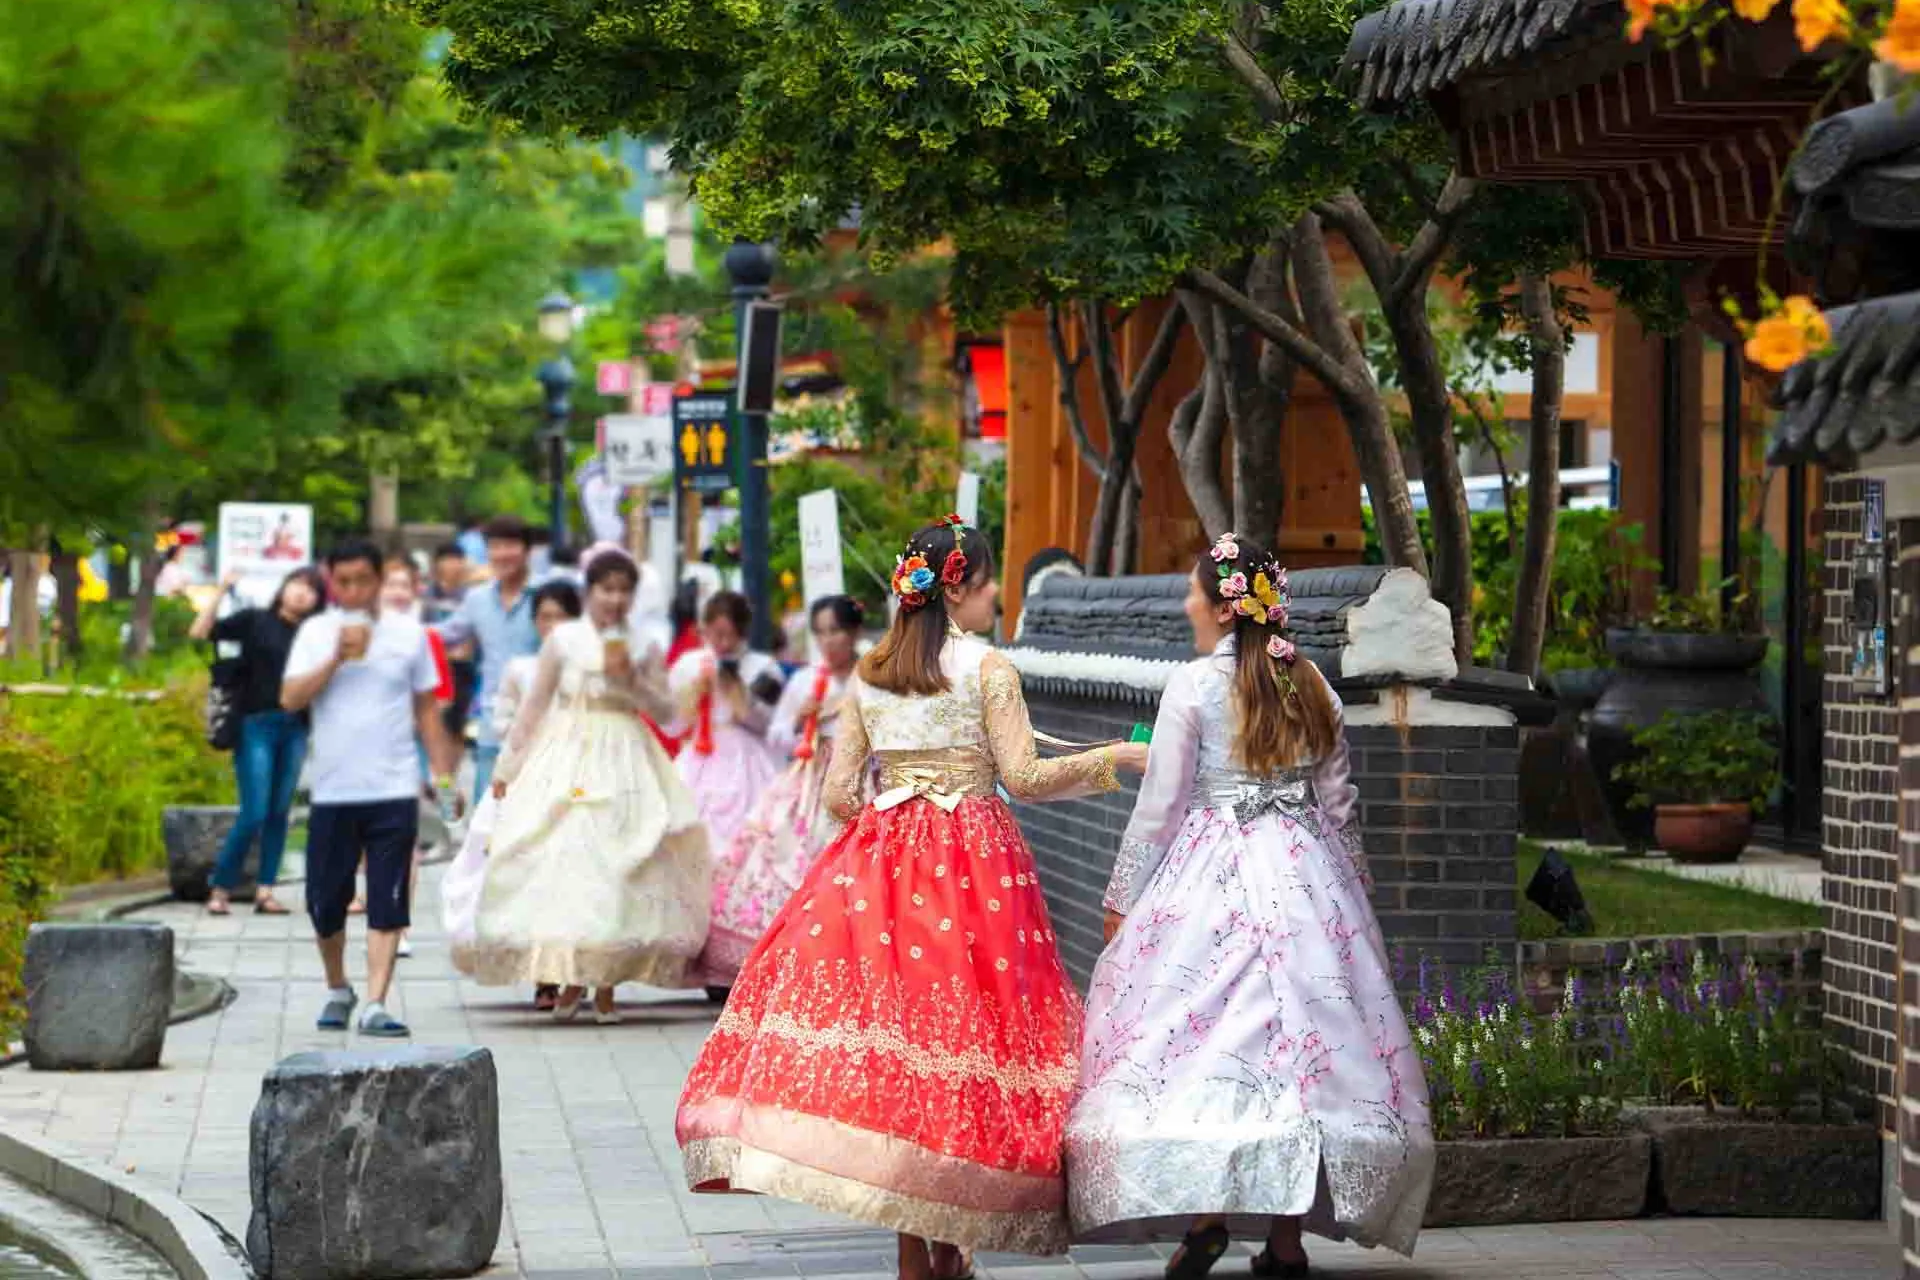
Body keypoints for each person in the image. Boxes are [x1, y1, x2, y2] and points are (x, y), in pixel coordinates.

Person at [675, 516, 1149, 1278]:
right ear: (957, 587)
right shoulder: (990, 668)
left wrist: (894, 823)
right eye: (991, 583)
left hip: (882, 868)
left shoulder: (870, 673)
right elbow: (1024, 779)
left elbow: (837, 795)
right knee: (966, 1043)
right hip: (979, 870)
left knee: (897, 1046)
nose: (996, 598)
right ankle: (949, 1234)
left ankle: (916, 1245)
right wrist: (1113, 760)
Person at [1064, 534, 1435, 1277]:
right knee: (1303, 1061)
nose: (1184, 601)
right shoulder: (1311, 684)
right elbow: (1338, 803)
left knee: (1207, 1050)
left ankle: (1206, 1220)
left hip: (1212, 875)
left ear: (1221, 604)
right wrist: (1353, 894)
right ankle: (1286, 1239)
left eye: (1193, 590)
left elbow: (1160, 807)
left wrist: (1122, 896)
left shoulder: (1194, 687)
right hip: (1306, 877)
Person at [456, 548, 711, 1022]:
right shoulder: (564, 641)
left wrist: (633, 680)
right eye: (606, 589)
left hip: (626, 751)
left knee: (621, 862)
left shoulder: (644, 645)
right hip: (567, 747)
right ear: (589, 593)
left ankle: (607, 983)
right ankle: (571, 976)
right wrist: (508, 767)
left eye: (623, 591)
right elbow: (533, 707)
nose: (614, 599)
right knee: (571, 860)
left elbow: (670, 717)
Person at [281, 540, 462, 1039]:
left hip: (393, 785)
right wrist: (336, 658)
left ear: (382, 580)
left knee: (388, 896)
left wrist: (443, 779)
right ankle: (338, 987)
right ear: (331, 581)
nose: (355, 590)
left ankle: (376, 1001)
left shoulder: (410, 635)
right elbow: (290, 698)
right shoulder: (316, 632)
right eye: (345, 581)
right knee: (325, 900)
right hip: (334, 788)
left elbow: (428, 711)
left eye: (364, 579)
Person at [697, 595, 866, 991]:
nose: (828, 641)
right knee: (790, 858)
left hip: (861, 774)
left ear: (854, 633)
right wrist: (799, 719)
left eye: (836, 631)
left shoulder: (871, 676)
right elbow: (776, 732)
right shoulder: (809, 680)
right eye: (821, 632)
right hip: (812, 778)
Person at [440, 579, 582, 993]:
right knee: (527, 869)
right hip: (528, 776)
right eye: (545, 617)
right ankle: (542, 974)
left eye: (561, 616)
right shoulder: (522, 668)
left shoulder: (588, 669)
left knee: (572, 873)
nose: (552, 625)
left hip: (578, 778)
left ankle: (570, 969)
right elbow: (501, 719)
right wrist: (528, 735)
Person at [188, 565, 327, 917]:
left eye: (311, 590)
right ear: (284, 587)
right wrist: (221, 588)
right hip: (256, 725)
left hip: (295, 727)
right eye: (297, 584)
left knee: (280, 812)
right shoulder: (254, 620)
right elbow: (200, 631)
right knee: (254, 812)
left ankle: (266, 891)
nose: (301, 593)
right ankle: (220, 889)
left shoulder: (314, 635)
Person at [669, 591, 785, 855]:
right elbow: (672, 724)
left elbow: (772, 726)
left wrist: (739, 700)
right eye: (715, 633)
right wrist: (692, 696)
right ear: (705, 629)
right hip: (700, 754)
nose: (722, 642)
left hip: (746, 758)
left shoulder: (762, 668)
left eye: (729, 635)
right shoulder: (689, 664)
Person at [436, 515, 541, 805]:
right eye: (495, 546)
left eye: (511, 545)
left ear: (527, 550)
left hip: (543, 718)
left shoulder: (547, 594)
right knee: (488, 807)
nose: (502, 554)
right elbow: (447, 633)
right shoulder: (477, 599)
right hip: (493, 718)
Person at [424, 543, 478, 749]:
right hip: (433, 665)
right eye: (447, 559)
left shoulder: (471, 595)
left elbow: (472, 634)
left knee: (456, 723)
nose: (453, 565)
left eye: (457, 559)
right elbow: (425, 628)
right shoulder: (428, 595)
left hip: (462, 668)